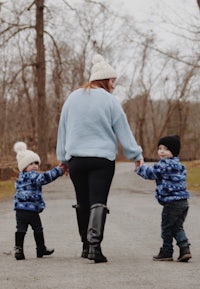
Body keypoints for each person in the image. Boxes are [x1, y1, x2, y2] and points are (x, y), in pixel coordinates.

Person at [56, 54, 143, 263]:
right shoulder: (110, 101)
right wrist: (135, 155)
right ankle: (95, 247)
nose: (114, 85)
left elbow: (63, 130)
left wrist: (63, 159)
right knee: (98, 202)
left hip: (76, 159)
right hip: (101, 160)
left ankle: (86, 246)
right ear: (104, 80)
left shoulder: (72, 98)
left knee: (82, 202)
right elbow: (123, 130)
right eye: (112, 80)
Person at [136, 135, 192, 262]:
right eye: (160, 148)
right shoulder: (180, 166)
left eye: (166, 149)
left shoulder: (163, 165)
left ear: (174, 151)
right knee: (177, 227)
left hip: (171, 203)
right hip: (183, 202)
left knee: (166, 227)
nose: (161, 151)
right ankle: (185, 249)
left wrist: (139, 168)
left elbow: (150, 173)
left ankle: (167, 251)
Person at [13, 141, 66, 260]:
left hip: (20, 209)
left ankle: (19, 250)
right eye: (31, 163)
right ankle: (40, 248)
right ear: (24, 166)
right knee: (37, 229)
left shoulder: (21, 177)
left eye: (36, 163)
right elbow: (44, 178)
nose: (35, 166)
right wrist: (59, 170)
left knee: (21, 229)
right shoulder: (31, 175)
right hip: (30, 209)